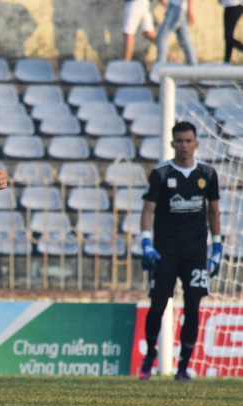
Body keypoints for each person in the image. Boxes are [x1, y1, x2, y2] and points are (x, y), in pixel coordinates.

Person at [139, 121, 220, 382]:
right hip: (165, 252)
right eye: (179, 141)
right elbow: (148, 211)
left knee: (193, 308)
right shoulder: (161, 174)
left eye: (188, 141)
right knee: (158, 305)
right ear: (172, 143)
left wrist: (217, 246)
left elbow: (214, 210)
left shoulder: (207, 174)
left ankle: (183, 368)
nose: (184, 146)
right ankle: (150, 353)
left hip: (196, 252)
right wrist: (146, 243)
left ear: (196, 143)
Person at [155, 0, 197, 65]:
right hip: (179, 9)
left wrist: (190, 10)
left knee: (161, 38)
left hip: (176, 9)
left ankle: (160, 67)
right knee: (184, 41)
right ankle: (194, 66)